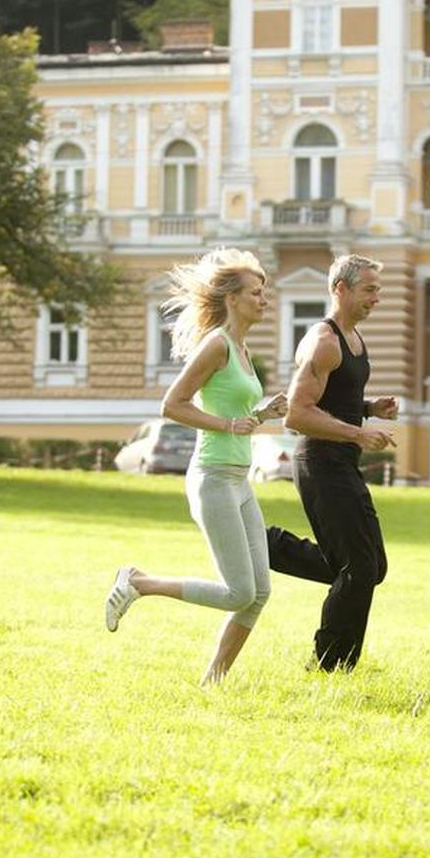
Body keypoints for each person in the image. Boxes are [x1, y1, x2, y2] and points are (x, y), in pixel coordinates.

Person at [103, 248, 287, 685]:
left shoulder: (240, 348)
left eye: (264, 293)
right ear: (232, 298)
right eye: (256, 293)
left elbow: (233, 415)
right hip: (212, 478)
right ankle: (138, 582)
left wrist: (261, 414)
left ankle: (213, 681)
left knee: (258, 593)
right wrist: (228, 423)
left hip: (239, 481)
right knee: (238, 592)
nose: (264, 301)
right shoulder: (216, 344)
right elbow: (173, 405)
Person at [266, 255, 398, 672]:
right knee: (358, 568)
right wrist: (359, 432)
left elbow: (331, 401)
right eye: (370, 290)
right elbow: (296, 414)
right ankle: (330, 665)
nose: (378, 298)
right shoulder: (323, 341)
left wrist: (368, 407)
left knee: (370, 566)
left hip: (340, 462)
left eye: (378, 289)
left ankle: (265, 544)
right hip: (321, 462)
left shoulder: (353, 338)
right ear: (341, 288)